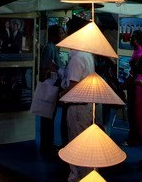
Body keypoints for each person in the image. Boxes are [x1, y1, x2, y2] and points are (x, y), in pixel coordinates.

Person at [60, 21, 95, 182]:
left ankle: (79, 177)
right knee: (85, 145)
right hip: (86, 107)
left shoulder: (77, 57)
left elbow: (73, 85)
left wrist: (62, 95)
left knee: (76, 144)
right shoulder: (87, 55)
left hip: (77, 108)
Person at [39, 24, 66, 157]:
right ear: (54, 35)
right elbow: (46, 69)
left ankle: (48, 144)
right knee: (47, 117)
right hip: (50, 87)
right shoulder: (50, 48)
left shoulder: (53, 48)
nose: (63, 36)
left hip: (52, 86)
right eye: (61, 33)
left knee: (49, 117)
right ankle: (46, 146)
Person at [121, 29, 142, 146]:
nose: (130, 39)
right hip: (135, 83)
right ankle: (136, 136)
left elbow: (136, 71)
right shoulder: (138, 50)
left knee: (135, 112)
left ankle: (135, 137)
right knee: (133, 111)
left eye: (132, 38)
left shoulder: (140, 51)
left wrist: (127, 82)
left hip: (137, 85)